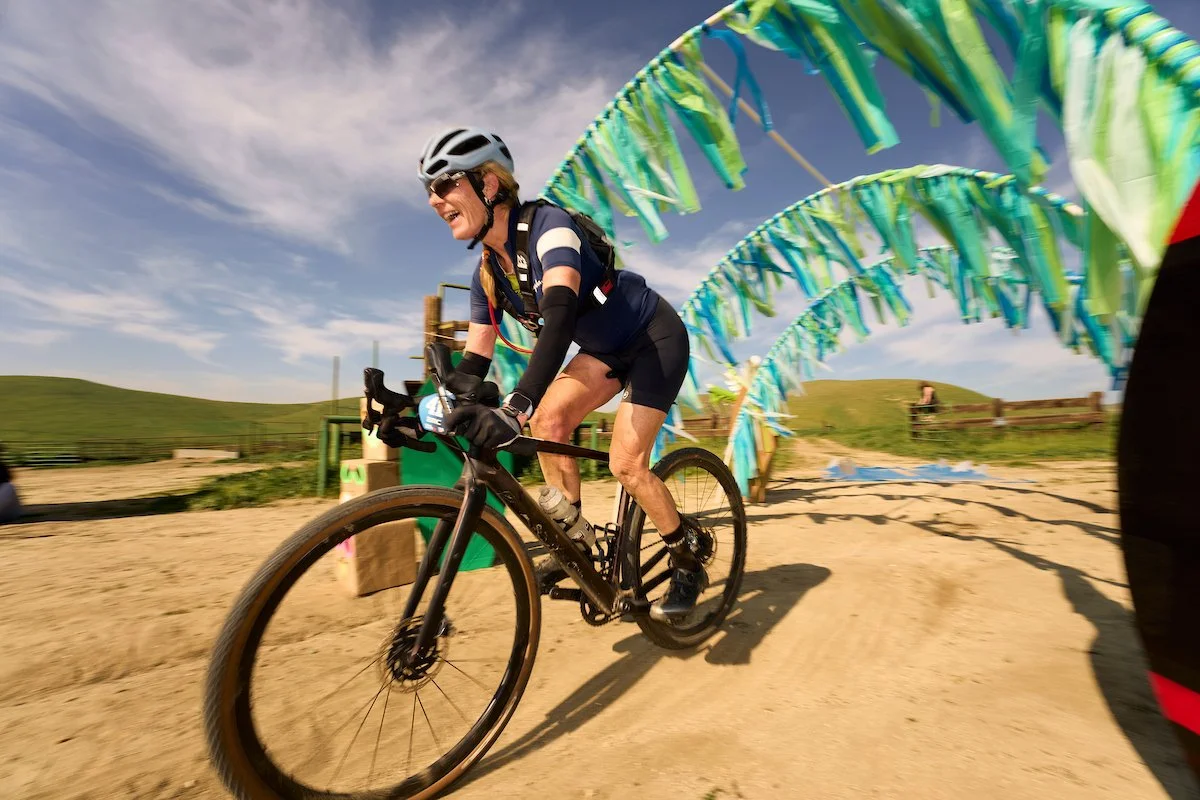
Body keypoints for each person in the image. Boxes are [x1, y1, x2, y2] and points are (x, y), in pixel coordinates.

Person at [417, 125, 712, 621]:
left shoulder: (549, 227)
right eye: (429, 190)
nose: (434, 199)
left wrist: (516, 404)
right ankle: (573, 540)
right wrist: (430, 403)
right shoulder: (487, 273)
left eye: (445, 183)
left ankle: (687, 553)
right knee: (548, 423)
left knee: (626, 464)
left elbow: (558, 319)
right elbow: (475, 361)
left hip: (653, 339)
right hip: (604, 351)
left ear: (488, 185)